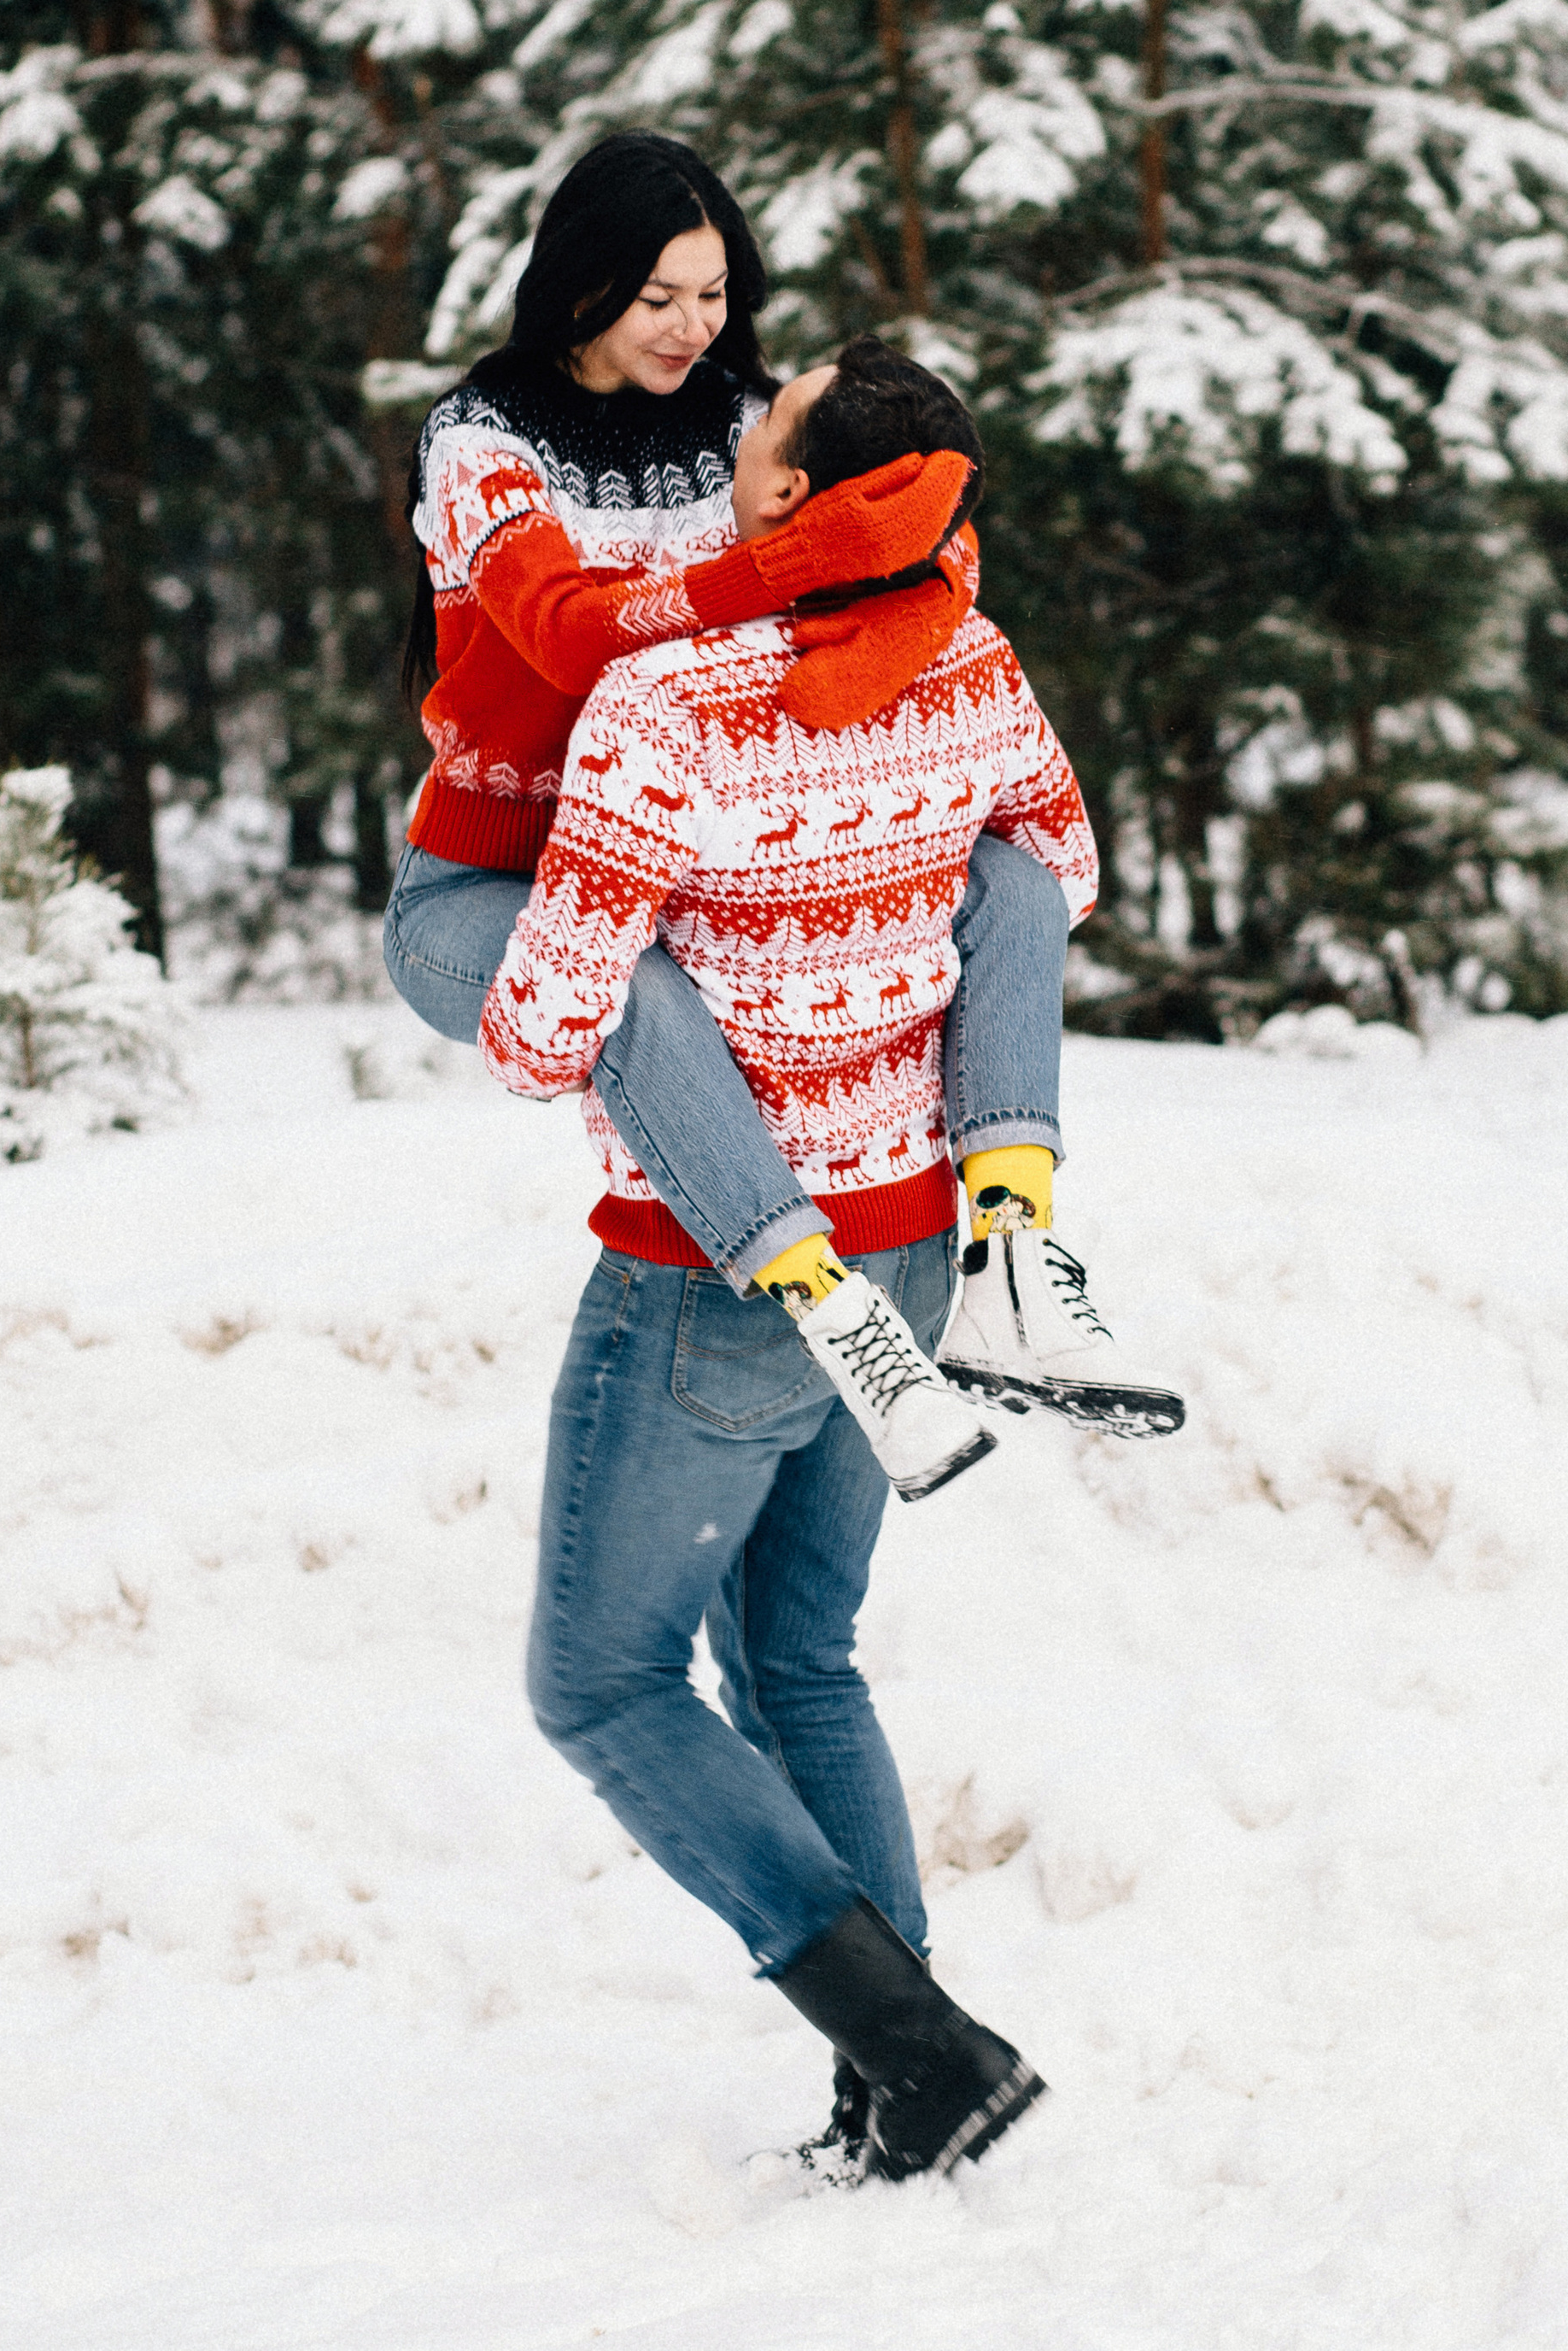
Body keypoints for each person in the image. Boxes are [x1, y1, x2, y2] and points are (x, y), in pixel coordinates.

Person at [478, 338, 1111, 2184]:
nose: (734, 420)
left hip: (720, 1277)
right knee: (800, 1659)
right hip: (908, 1239)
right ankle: (906, 2090)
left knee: (597, 1686)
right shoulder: (969, 661)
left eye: (760, 427)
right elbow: (1049, 870)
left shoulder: (668, 708)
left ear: (778, 501)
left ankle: (912, 2047)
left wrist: (569, 943)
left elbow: (540, 1032)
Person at [382, 129, 1167, 1445]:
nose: (695, 327)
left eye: (714, 294)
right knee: (622, 984)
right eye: (658, 299)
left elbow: (924, 556)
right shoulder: (482, 443)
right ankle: (829, 1309)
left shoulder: (752, 420)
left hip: (711, 857)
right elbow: (573, 632)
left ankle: (1014, 1255)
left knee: (1018, 875)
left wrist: (901, 582)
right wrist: (800, 567)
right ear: (579, 285)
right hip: (494, 877)